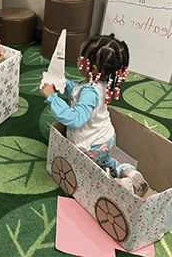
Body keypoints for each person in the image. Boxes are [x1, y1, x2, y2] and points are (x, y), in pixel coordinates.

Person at [40, 34, 149, 197]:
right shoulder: (98, 84)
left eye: (81, 57)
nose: (77, 59)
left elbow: (75, 119)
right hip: (105, 138)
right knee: (105, 160)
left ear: (94, 69)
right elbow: (77, 93)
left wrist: (52, 98)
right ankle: (128, 172)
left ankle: (117, 183)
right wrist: (64, 84)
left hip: (91, 144)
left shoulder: (90, 92)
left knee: (90, 171)